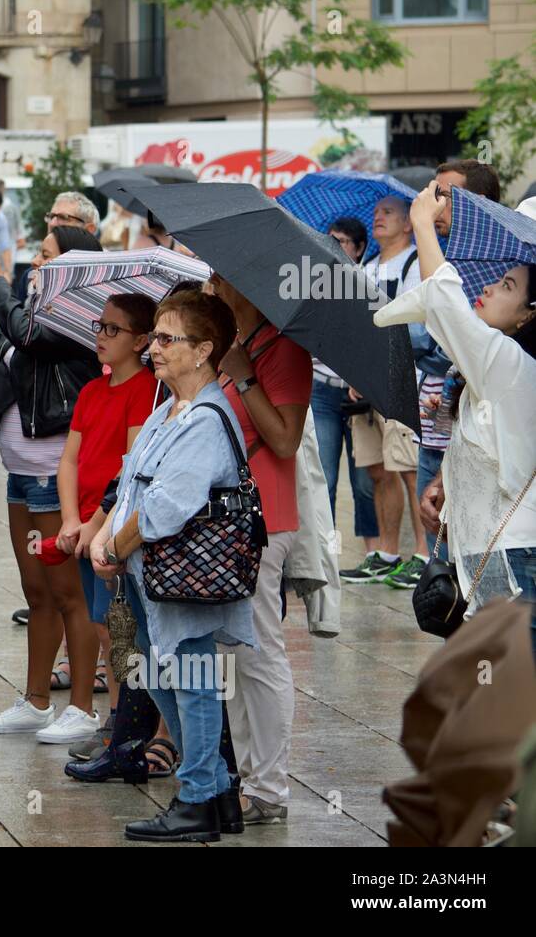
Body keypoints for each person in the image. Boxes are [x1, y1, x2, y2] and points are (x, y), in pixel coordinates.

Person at [89, 288, 254, 842]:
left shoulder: (206, 417)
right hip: (148, 573)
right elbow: (132, 482)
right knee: (163, 677)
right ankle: (218, 793)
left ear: (204, 349)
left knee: (192, 680)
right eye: (154, 337)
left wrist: (115, 546)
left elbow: (166, 508)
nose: (153, 348)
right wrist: (106, 534)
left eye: (166, 339)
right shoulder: (170, 409)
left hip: (181, 573)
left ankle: (198, 799)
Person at [0, 227, 104, 745]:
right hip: (20, 475)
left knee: (69, 594)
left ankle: (84, 708)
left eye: (45, 256)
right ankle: (37, 700)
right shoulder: (33, 317)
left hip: (53, 474)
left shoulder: (77, 318)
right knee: (35, 591)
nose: (36, 264)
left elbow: (24, 335)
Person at [377, 186, 536, 624]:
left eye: (508, 285)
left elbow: (447, 309)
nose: (487, 288)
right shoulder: (495, 364)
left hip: (515, 560)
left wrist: (424, 225)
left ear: (528, 314)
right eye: (498, 275)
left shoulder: (511, 363)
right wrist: (446, 486)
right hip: (493, 555)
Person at [213, 272, 312, 826]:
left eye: (221, 279)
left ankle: (270, 786)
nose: (211, 288)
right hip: (228, 518)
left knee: (260, 651)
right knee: (233, 653)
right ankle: (249, 779)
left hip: (265, 518)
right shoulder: (241, 346)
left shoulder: (283, 348)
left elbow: (283, 439)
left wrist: (245, 379)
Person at [56, 293, 158, 746]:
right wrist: (68, 520)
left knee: (118, 624)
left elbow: (129, 468)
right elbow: (69, 462)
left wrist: (96, 523)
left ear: (141, 341)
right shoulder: (92, 390)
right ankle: (117, 715)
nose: (100, 335)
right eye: (100, 325)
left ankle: (130, 721)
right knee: (102, 623)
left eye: (113, 329)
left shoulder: (145, 392)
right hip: (84, 526)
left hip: (113, 525)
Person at [412, 160, 503, 553]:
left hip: (491, 456)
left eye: (444, 196)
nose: (434, 205)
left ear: (478, 202)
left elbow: (447, 325)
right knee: (441, 562)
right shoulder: (451, 253)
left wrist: (420, 225)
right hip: (447, 429)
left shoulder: (500, 264)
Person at [341, 194, 429, 586]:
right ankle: (386, 552)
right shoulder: (366, 267)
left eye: (388, 213)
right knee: (377, 471)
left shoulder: (415, 264)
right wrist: (355, 372)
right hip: (367, 384)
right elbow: (356, 327)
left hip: (403, 382)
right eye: (375, 213)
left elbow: (417, 326)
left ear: (409, 223)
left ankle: (424, 555)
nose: (378, 218)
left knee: (410, 470)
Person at [310, 218, 378, 557]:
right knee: (324, 477)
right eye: (329, 241)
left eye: (341, 242)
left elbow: (379, 338)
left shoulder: (371, 283)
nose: (333, 247)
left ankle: (373, 553)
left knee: (364, 480)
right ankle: (324, 552)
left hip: (360, 395)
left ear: (359, 248)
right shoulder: (315, 284)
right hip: (320, 391)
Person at [0, 178, 25, 250]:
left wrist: (21, 238)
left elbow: (18, 223)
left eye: (0, 188)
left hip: (9, 242)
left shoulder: (10, 206)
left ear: (3, 189)